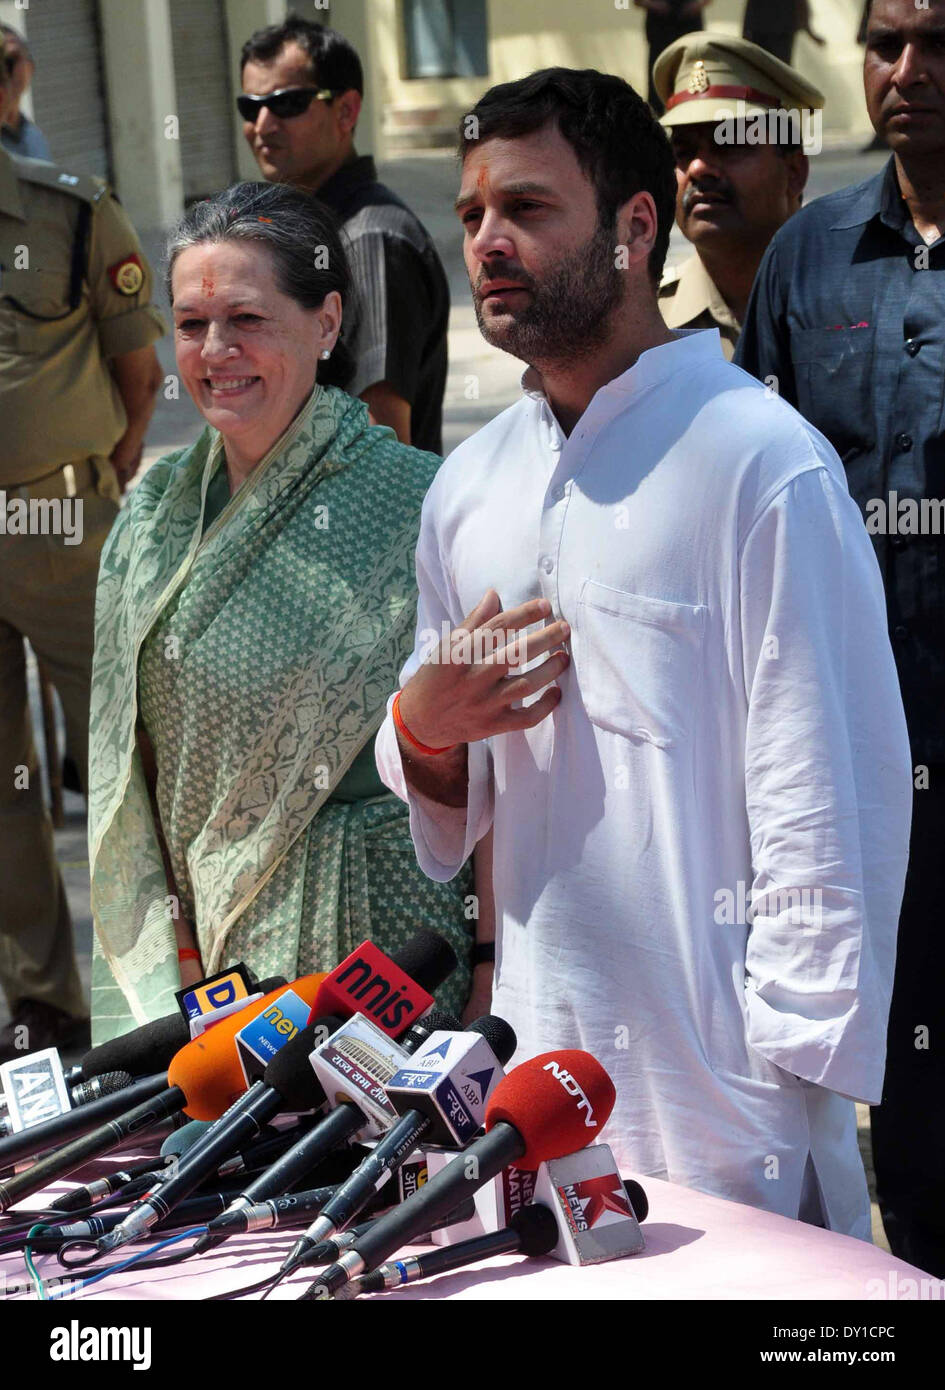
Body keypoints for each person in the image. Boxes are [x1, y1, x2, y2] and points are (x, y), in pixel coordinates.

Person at [374, 67, 912, 1237]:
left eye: (527, 208)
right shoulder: (469, 489)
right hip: (534, 1088)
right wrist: (425, 727)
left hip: (724, 1104)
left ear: (633, 227)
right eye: (471, 216)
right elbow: (448, 809)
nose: (488, 242)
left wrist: (783, 1081)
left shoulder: (760, 463)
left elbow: (830, 792)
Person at [87, 181, 473, 1043]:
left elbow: (499, 769)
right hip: (218, 964)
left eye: (248, 319)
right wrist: (174, 946)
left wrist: (488, 965)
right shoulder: (149, 524)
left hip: (388, 948)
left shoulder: (425, 504)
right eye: (191, 324)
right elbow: (126, 773)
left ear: (327, 323)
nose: (216, 350)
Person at [736, 0, 945, 1275]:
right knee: (905, 1080)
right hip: (865, 752)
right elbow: (755, 488)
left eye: (939, 42)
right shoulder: (808, 262)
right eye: (884, 43)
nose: (907, 71)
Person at [0, 38, 164, 1063]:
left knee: (113, 761)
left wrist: (93, 478)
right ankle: (38, 995)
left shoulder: (67, 212)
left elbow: (139, 377)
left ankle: (137, 982)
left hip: (61, 522)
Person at [238, 14, 449, 454]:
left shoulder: (370, 240)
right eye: (250, 107)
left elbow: (384, 442)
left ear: (347, 110)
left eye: (288, 103)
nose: (262, 125)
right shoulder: (311, 232)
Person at [655, 32, 822, 357]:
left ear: (794, 171)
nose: (699, 168)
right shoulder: (643, 327)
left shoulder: (847, 305)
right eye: (683, 152)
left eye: (729, 146)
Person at [634, 0, 714, 112]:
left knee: (691, 84)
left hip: (688, 30)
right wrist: (656, 5)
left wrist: (695, 5)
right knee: (656, 88)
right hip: (660, 32)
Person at [0, 24, 51, 161]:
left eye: (13, 59)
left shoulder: (35, 138)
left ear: (30, 67)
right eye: (4, 62)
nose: (8, 70)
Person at [742, 0, 825, 66]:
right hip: (778, 32)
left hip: (766, 30)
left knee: (760, 70)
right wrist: (809, 31)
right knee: (780, 71)